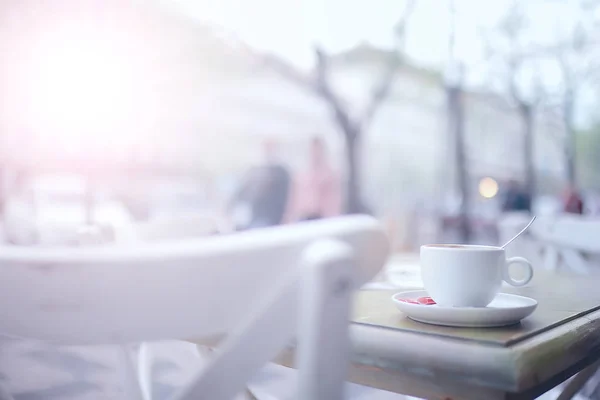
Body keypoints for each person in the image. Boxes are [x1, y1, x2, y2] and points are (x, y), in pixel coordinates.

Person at [229, 139, 291, 230]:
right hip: (254, 219)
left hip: (273, 221)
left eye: (270, 147)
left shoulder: (281, 173)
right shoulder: (254, 172)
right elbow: (241, 195)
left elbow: (287, 198)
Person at [286, 136, 342, 222]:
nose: (315, 153)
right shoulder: (302, 175)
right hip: (303, 217)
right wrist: (289, 219)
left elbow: (334, 202)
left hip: (322, 218)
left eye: (318, 150)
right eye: (313, 150)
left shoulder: (329, 175)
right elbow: (294, 200)